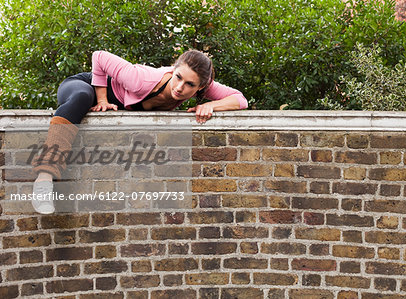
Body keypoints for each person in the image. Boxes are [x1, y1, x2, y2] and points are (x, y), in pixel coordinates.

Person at [31, 50, 248, 214]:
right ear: (173, 70)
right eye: (178, 77)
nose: (180, 87)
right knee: (80, 97)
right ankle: (43, 180)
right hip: (81, 85)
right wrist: (102, 100)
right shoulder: (140, 78)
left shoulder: (202, 86)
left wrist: (211, 106)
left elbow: (240, 99)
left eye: (189, 84)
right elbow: (99, 57)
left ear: (200, 87)